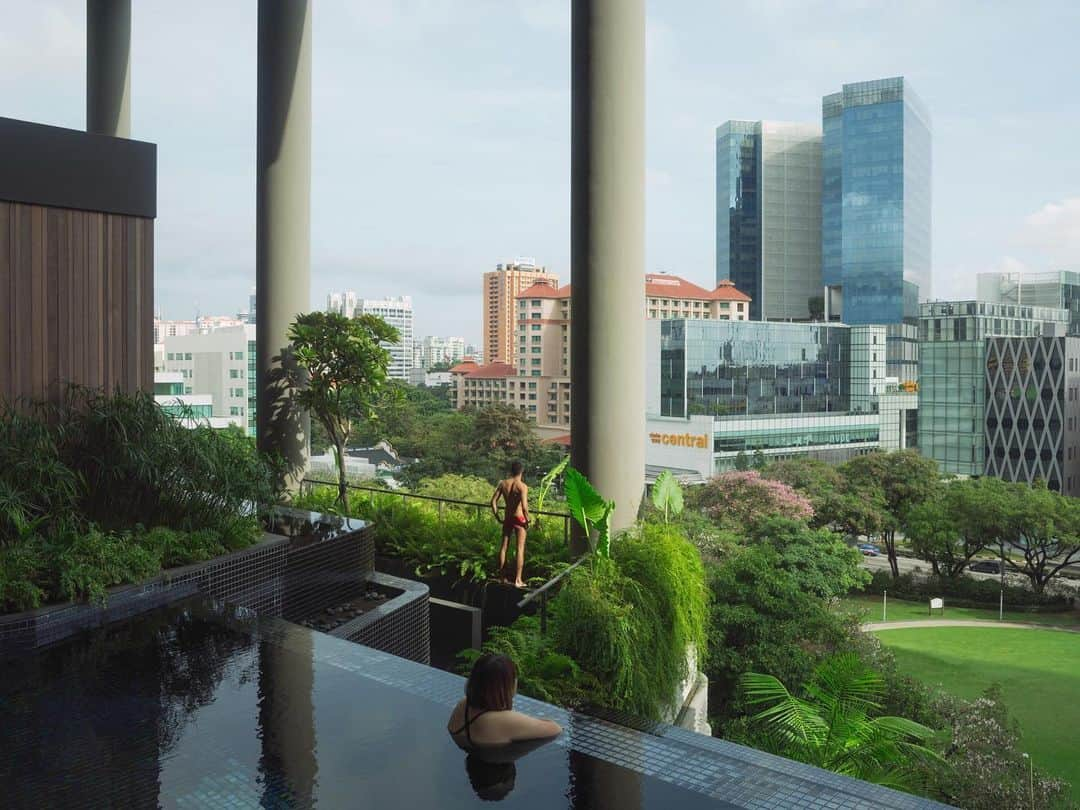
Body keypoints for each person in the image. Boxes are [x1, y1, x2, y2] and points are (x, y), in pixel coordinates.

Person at [447, 654, 562, 751]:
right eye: (514, 677)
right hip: (496, 775)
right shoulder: (503, 721)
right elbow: (555, 729)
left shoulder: (463, 705)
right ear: (505, 686)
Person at [490, 461, 530, 588]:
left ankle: (502, 577)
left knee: (503, 547)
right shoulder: (522, 486)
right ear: (521, 471)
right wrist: (528, 520)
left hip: (507, 518)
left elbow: (493, 502)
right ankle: (518, 580)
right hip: (519, 518)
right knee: (520, 549)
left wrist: (497, 516)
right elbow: (524, 507)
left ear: (511, 471)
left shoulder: (503, 484)